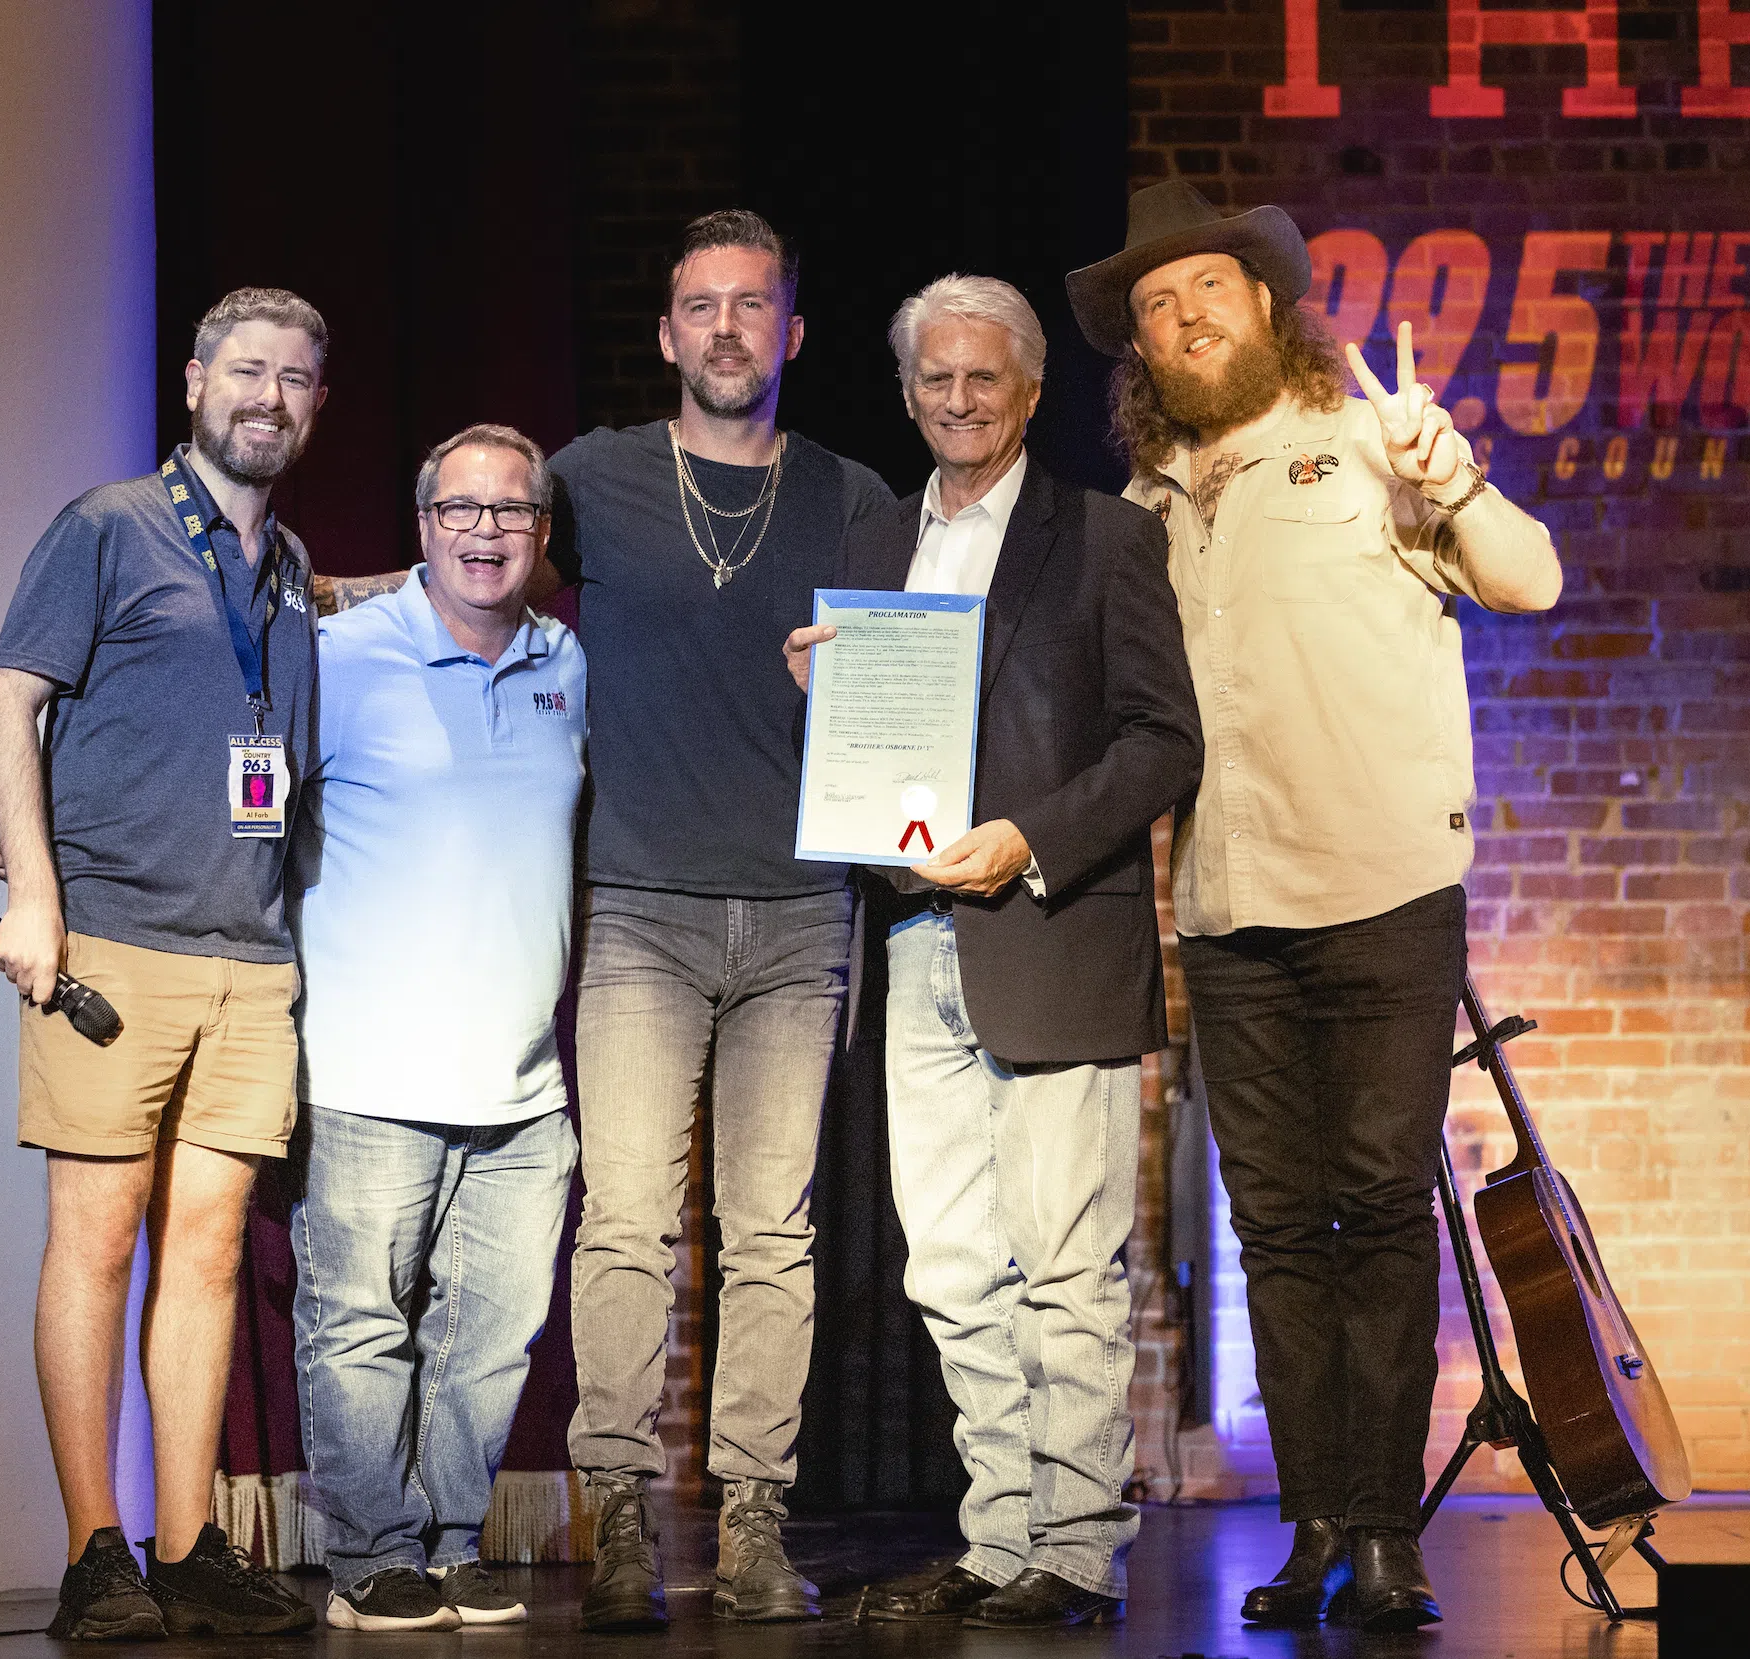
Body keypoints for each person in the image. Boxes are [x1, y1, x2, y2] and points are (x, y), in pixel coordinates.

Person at [1066, 180, 1564, 1632]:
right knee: (1278, 1231)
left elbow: (1531, 581)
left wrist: (1451, 478)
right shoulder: (1144, 510)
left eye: (1206, 288)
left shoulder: (1368, 442)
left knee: (1381, 1208)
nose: (1184, 317)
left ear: (1266, 305)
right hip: (1229, 911)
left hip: (1383, 891)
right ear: (1140, 351)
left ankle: (1387, 1530)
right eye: (1156, 307)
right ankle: (1317, 1521)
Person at [783, 277, 1200, 1628]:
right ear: (907, 393)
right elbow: (875, 749)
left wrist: (1031, 838)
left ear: (1028, 391)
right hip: (914, 937)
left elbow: (1164, 742)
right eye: (935, 378)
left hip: (1051, 935)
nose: (958, 400)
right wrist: (823, 693)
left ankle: (1073, 1546)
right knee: (952, 1266)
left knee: (1066, 1263)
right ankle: (1001, 1531)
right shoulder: (875, 538)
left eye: (984, 377)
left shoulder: (1105, 536)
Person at [548, 209, 892, 1631]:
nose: (729, 328)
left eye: (754, 304)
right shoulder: (592, 479)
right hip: (640, 904)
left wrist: (851, 688)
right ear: (667, 333)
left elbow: (928, 697)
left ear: (790, 332)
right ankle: (619, 1515)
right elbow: (468, 580)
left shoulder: (855, 498)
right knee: (627, 1218)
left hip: (804, 911)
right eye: (703, 305)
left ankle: (753, 1519)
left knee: (771, 1232)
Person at [0, 287, 327, 1639]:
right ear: (193, 383)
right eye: (246, 370)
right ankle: (93, 1551)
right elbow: (8, 694)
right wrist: (35, 893)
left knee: (210, 1251)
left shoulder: (289, 567)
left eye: (294, 378)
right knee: (99, 1240)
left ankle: (185, 1546)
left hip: (251, 959)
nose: (268, 396)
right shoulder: (110, 526)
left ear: (316, 404)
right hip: (112, 945)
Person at [289, 424, 585, 1633]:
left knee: (490, 1344)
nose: (484, 531)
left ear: (540, 532)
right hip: (368, 1069)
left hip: (523, 1083)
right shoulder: (337, 659)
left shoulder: (567, 661)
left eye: (510, 510)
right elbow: (240, 800)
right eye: (460, 509)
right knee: (360, 1328)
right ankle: (371, 1558)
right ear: (421, 527)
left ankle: (454, 1547)